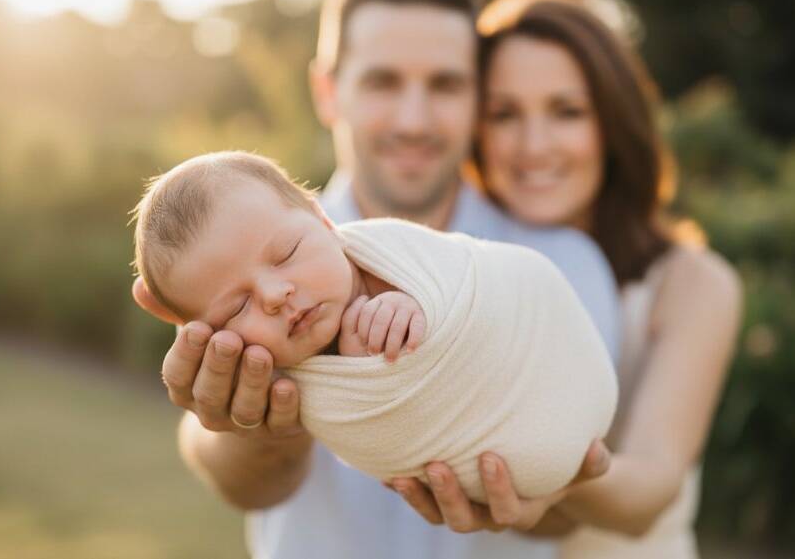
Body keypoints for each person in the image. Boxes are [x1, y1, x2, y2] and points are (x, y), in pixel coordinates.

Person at [132, 0, 619, 558]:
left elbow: (576, 463)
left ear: (476, 98)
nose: (414, 120)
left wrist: (545, 494)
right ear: (328, 90)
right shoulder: (232, 257)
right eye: (383, 82)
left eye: (445, 84)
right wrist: (258, 427)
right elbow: (237, 478)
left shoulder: (558, 262)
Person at [393, 0, 743, 558]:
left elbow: (651, 488)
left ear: (613, 121)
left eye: (567, 111)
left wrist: (549, 472)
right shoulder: (458, 267)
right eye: (505, 114)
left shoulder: (691, 284)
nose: (534, 146)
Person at [132, 150, 616, 505]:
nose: (275, 295)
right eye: (236, 308)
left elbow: (471, 280)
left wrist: (416, 309)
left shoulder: (390, 253)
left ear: (324, 221)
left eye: (286, 255)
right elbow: (357, 440)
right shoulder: (282, 383)